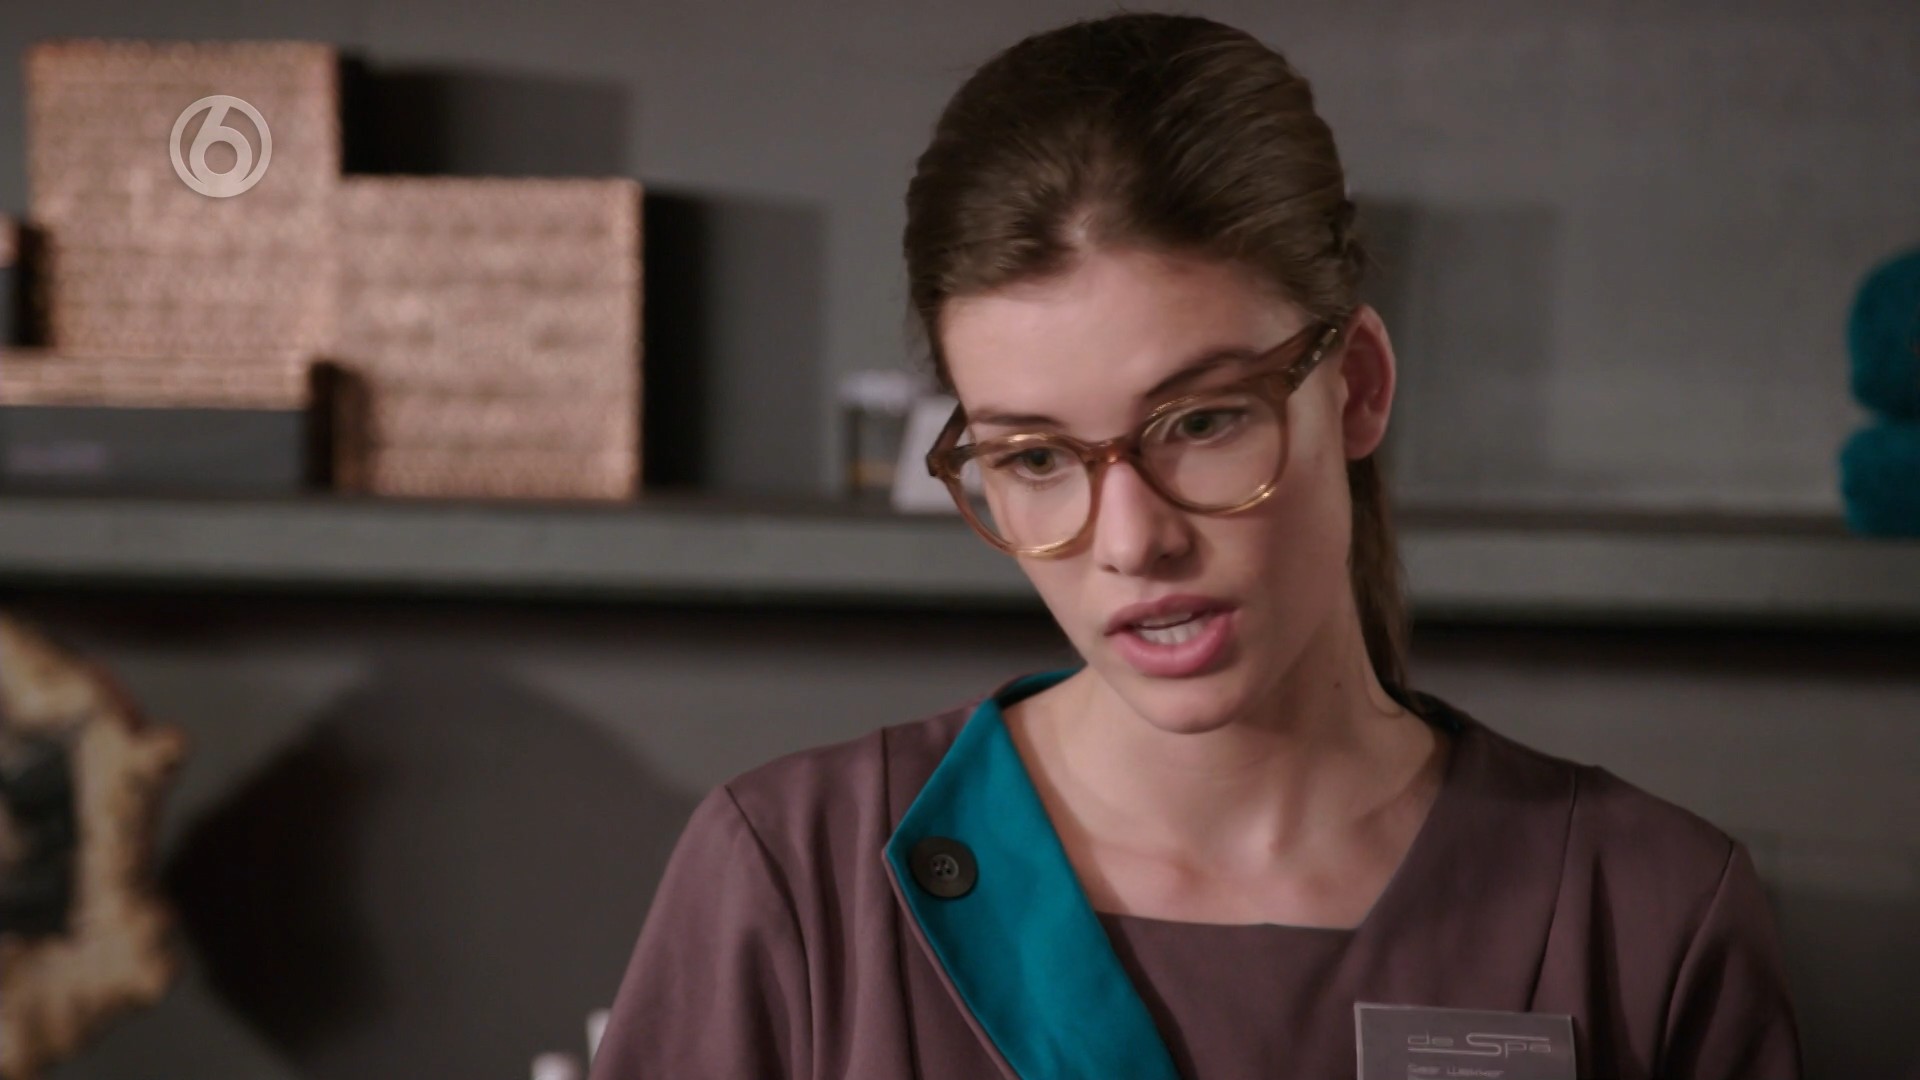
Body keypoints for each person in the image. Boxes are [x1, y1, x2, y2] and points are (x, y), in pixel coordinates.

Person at [591, 13, 1802, 1079]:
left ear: (1358, 385)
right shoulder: (796, 880)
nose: (1132, 542)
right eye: (1035, 457)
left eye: (1204, 423)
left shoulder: (1645, 914)